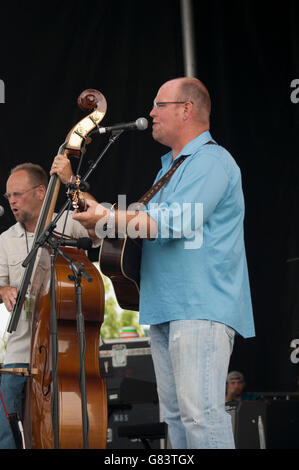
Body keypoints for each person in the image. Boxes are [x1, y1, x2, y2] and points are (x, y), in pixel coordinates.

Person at [72, 77, 255, 449]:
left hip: (199, 307)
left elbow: (173, 223)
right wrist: (97, 216)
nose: (150, 113)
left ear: (186, 109)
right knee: (175, 420)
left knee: (200, 416)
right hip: (165, 308)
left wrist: (105, 216)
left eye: (159, 104)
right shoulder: (168, 170)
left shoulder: (212, 161)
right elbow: (139, 222)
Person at [0, 158, 97, 449]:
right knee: (7, 429)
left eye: (17, 194)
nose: (12, 201)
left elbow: (102, 225)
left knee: (61, 428)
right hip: (19, 351)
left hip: (63, 353)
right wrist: (3, 288)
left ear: (41, 192)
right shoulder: (5, 239)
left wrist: (72, 183)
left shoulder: (68, 221)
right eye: (9, 196)